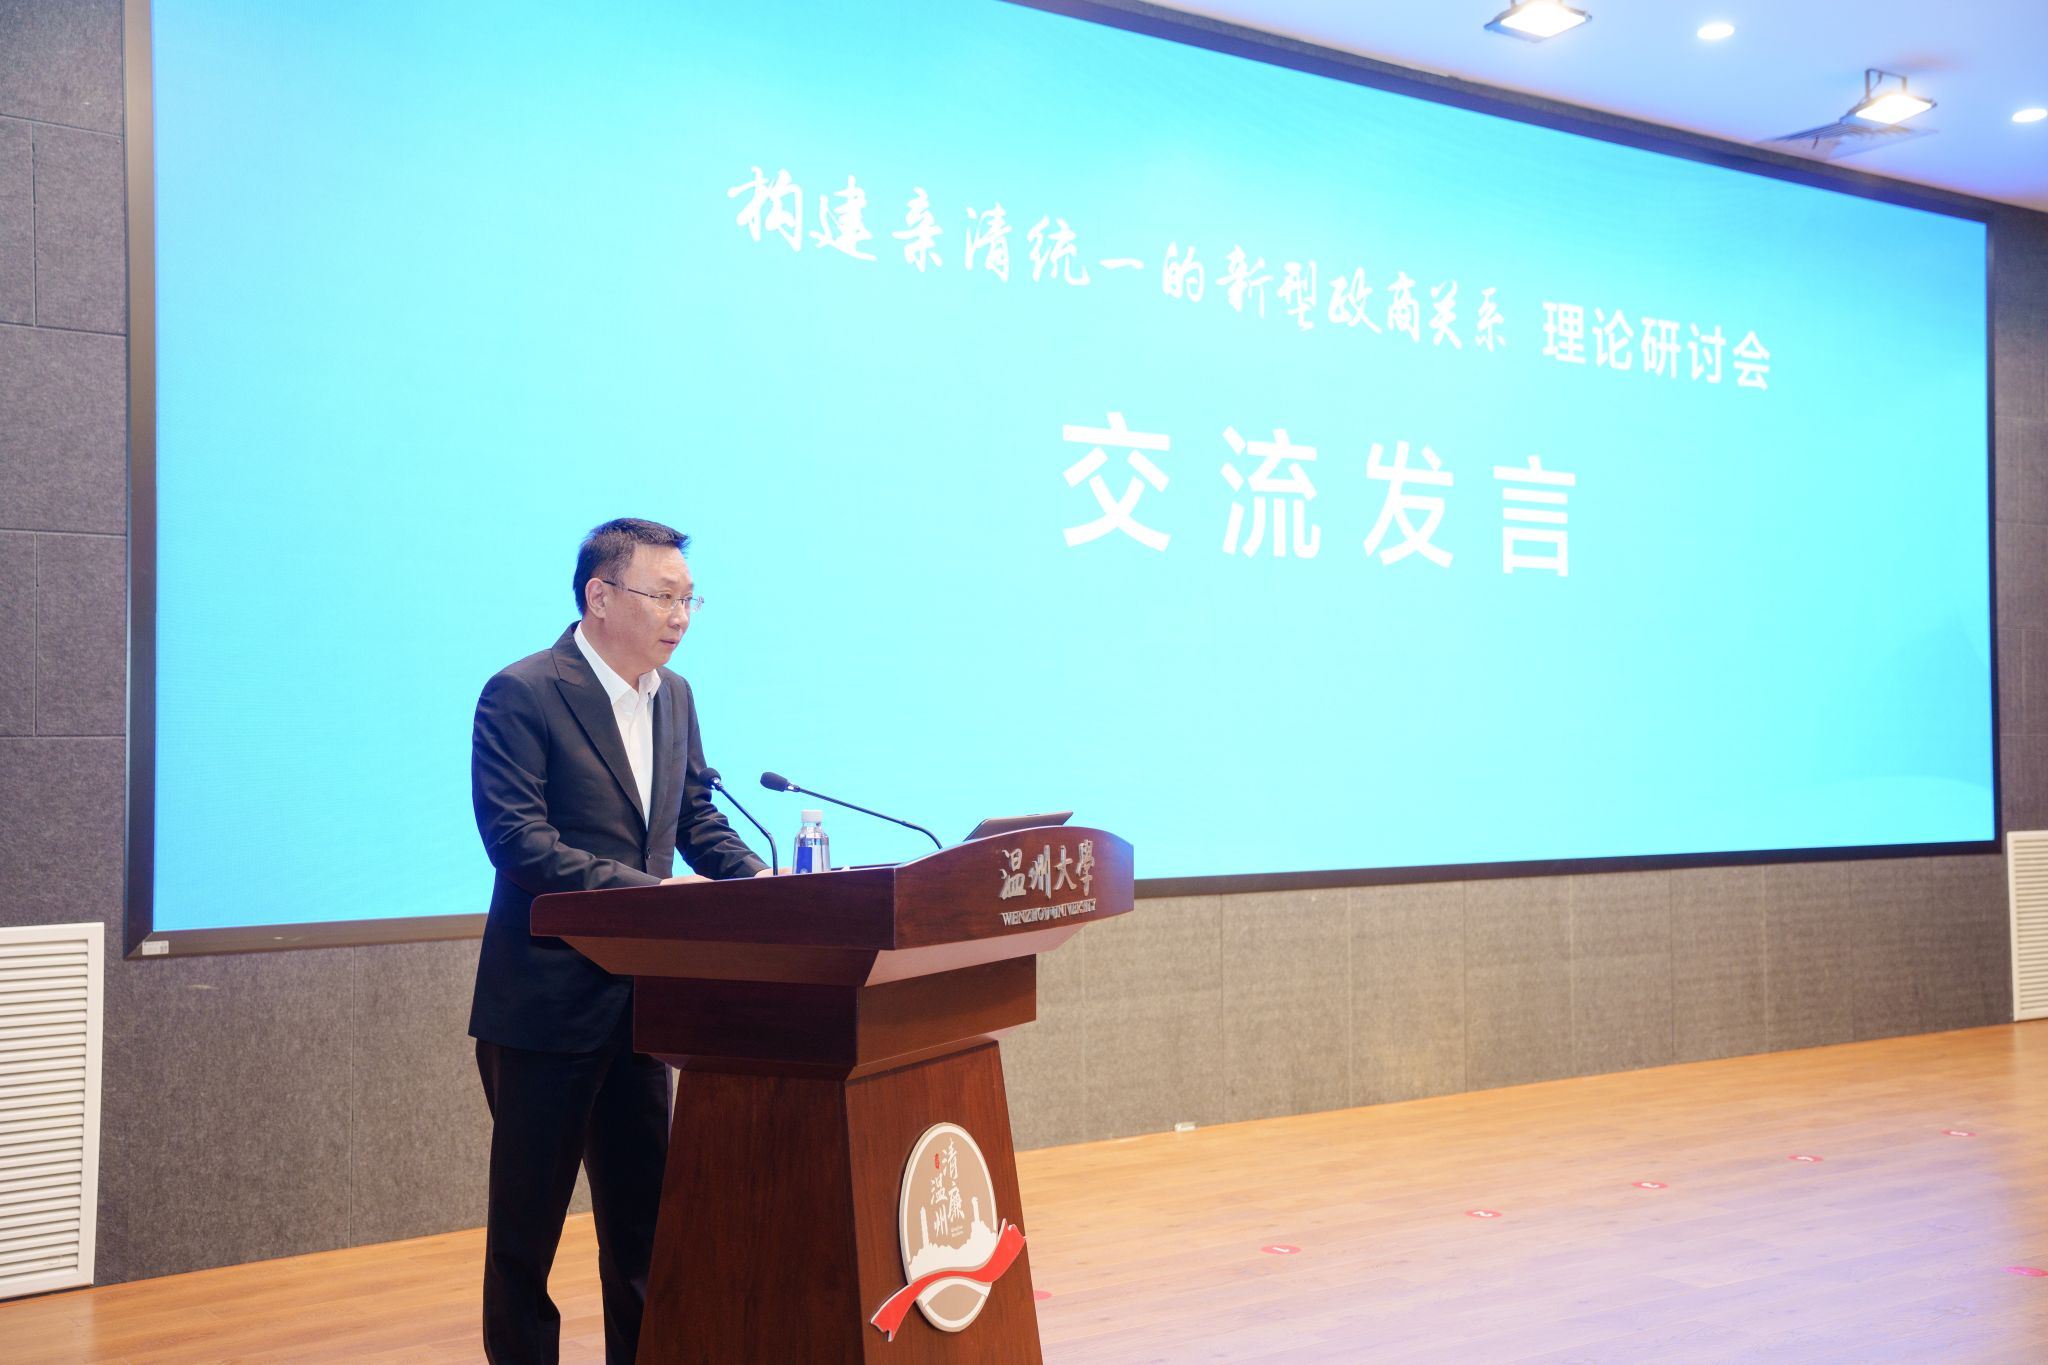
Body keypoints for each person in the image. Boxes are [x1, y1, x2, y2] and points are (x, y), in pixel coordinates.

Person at [467, 517, 765, 1364]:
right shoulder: (523, 692)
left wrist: (766, 885)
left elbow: (695, 819)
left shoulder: (675, 696)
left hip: (643, 1008)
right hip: (545, 1007)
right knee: (526, 1239)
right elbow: (519, 842)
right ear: (600, 596)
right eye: (663, 596)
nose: (681, 616)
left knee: (643, 1232)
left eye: (690, 598)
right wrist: (653, 897)